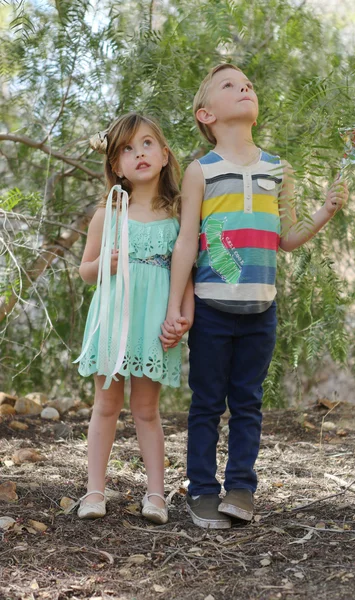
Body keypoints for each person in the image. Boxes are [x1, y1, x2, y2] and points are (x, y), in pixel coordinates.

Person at [160, 64, 348, 529]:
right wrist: (174, 308)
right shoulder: (201, 171)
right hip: (210, 307)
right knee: (206, 402)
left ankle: (240, 487)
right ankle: (202, 490)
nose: (244, 87)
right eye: (229, 84)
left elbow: (287, 237)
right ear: (207, 114)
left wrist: (324, 212)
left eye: (247, 84)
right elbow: (186, 241)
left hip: (262, 306)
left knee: (247, 401)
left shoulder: (278, 168)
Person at [74, 112, 193, 524]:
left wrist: (183, 317)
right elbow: (84, 270)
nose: (138, 154)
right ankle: (94, 491)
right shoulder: (109, 213)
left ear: (163, 154)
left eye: (146, 144)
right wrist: (102, 264)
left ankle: (157, 495)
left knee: (146, 408)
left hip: (154, 319)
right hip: (114, 317)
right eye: (126, 149)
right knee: (105, 404)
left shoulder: (178, 214)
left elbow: (187, 272)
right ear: (115, 165)